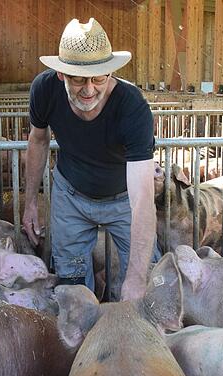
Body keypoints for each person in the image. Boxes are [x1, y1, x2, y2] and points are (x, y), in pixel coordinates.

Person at [22, 17, 159, 301]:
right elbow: (38, 139)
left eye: (99, 78)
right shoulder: (45, 89)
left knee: (147, 277)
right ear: (61, 74)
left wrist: (136, 279)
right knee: (71, 287)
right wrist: (31, 202)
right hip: (70, 194)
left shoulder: (132, 107)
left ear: (110, 73)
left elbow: (143, 199)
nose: (89, 89)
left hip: (124, 200)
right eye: (78, 79)